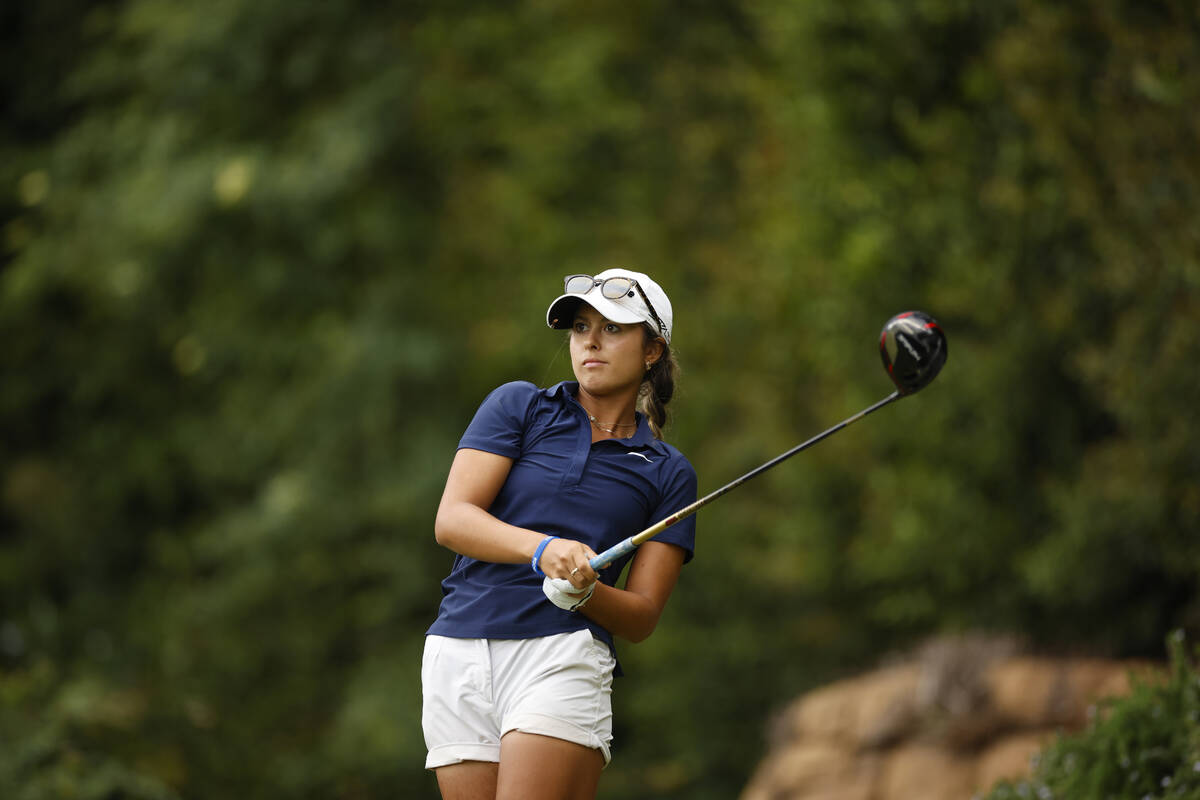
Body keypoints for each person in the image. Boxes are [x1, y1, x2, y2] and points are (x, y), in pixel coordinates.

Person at [423, 269, 698, 800]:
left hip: (560, 654)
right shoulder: (520, 406)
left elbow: (641, 616)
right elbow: (453, 520)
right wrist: (544, 550)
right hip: (457, 649)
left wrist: (586, 592)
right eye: (579, 327)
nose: (590, 341)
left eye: (613, 328)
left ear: (652, 350)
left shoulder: (667, 471)